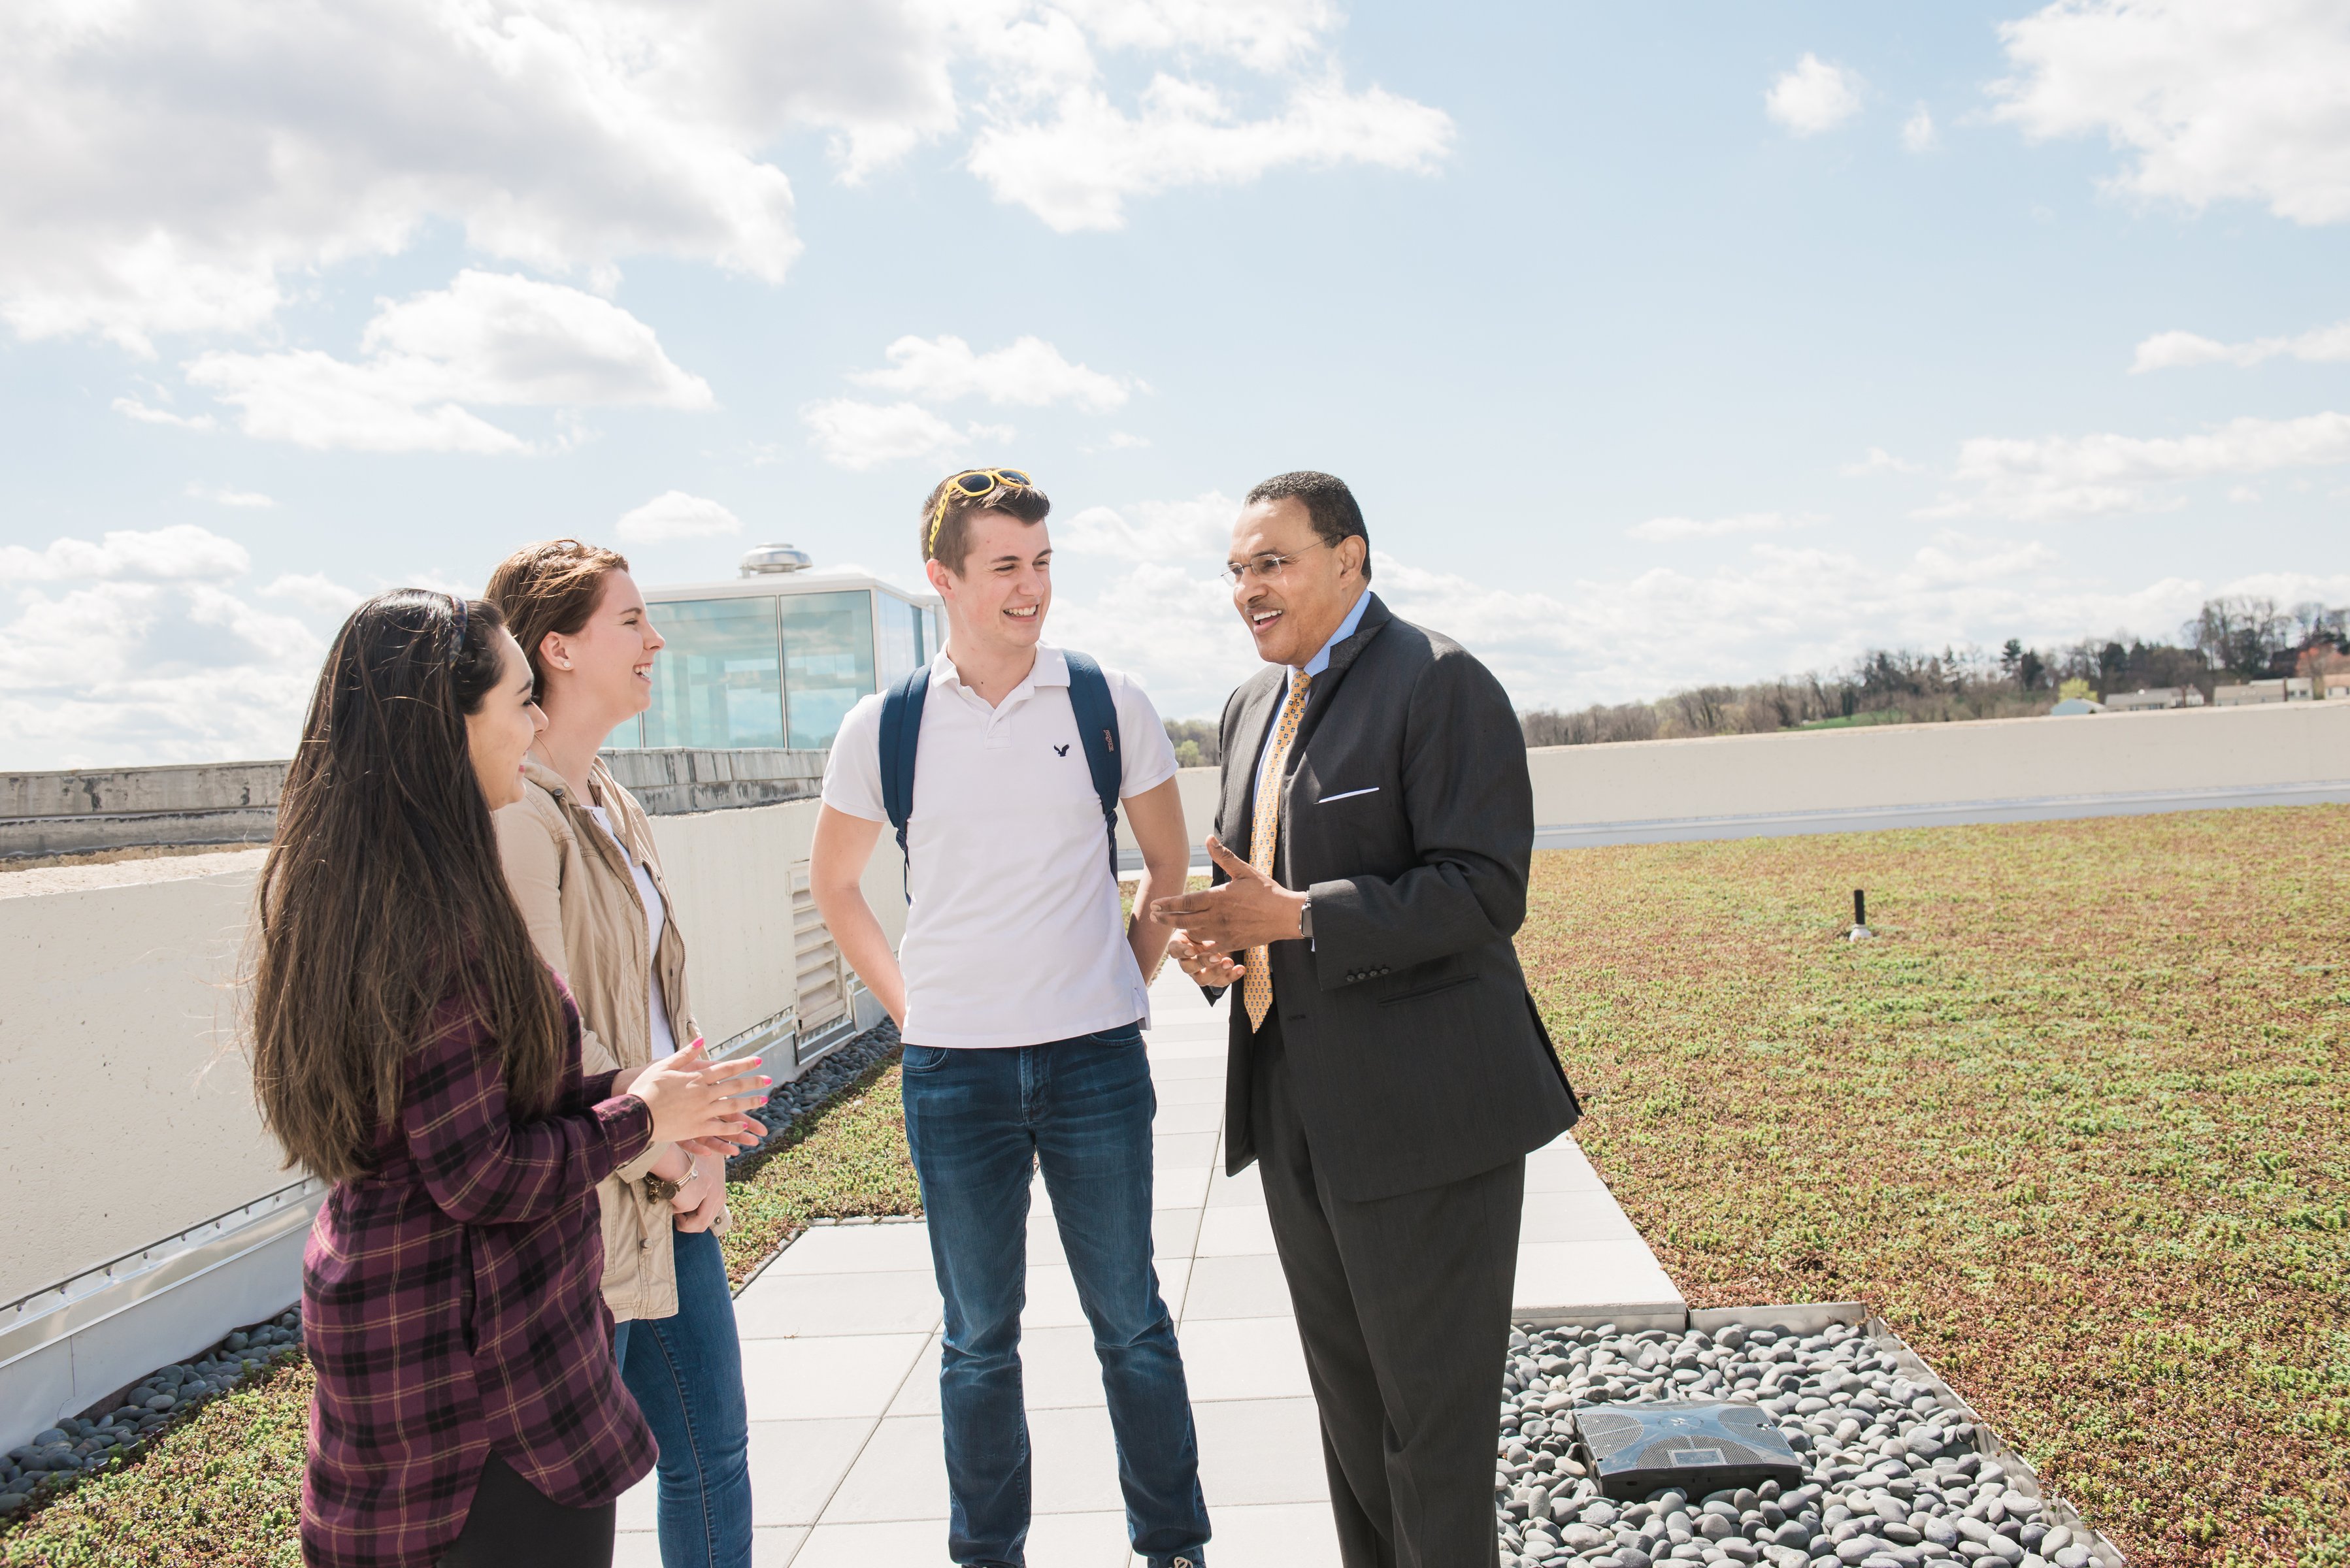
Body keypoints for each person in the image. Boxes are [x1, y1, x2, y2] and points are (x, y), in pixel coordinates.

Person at [247, 590, 770, 1568]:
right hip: (479, 1382)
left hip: (413, 1353)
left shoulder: (363, 890)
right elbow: (478, 1171)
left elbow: (472, 1102)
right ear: (446, 724)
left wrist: (650, 1102)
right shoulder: (433, 922)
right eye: (520, 699)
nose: (535, 724)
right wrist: (639, 1119)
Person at [1153, 472, 1582, 1568]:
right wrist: (1221, 945)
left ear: (1351, 559)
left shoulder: (1440, 684)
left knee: (1431, 1439)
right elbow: (1245, 881)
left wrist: (1295, 918)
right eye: (1238, 570)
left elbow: (1487, 889)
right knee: (1351, 1426)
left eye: (1274, 561)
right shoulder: (1253, 707)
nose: (1250, 588)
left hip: (1430, 1119)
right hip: (1296, 1106)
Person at [806, 468, 1211, 1568]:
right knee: (979, 1342)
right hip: (956, 1078)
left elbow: (1167, 860)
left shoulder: (1104, 700)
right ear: (943, 578)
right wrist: (911, 1010)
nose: (1030, 590)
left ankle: (1173, 1545)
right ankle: (988, 1554)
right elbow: (835, 884)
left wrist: (1125, 981)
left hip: (1094, 1065)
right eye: (1005, 568)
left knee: (1130, 1322)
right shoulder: (882, 726)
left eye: (1041, 564)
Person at [485, 540, 755, 1568]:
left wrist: (711, 1144)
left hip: (671, 1178)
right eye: (632, 622)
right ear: (556, 647)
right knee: (575, 1494)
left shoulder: (617, 802)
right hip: (590, 1205)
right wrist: (666, 1149)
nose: (657, 639)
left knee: (711, 1455)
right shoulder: (519, 814)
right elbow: (545, 1035)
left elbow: (658, 1007)